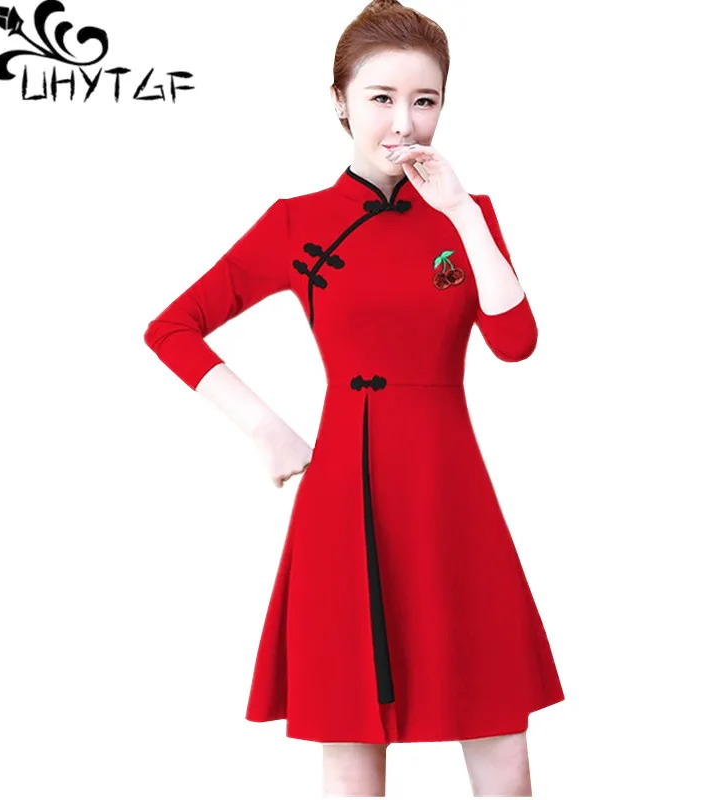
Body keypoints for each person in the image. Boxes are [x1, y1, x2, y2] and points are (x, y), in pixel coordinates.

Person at [143, 0, 565, 795]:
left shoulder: (469, 216)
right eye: (381, 98)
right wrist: (264, 426)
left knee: (502, 749)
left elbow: (516, 342)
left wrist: (461, 212)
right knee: (349, 745)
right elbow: (171, 328)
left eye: (425, 100)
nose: (404, 122)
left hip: (451, 491)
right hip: (346, 496)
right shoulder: (296, 222)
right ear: (339, 101)